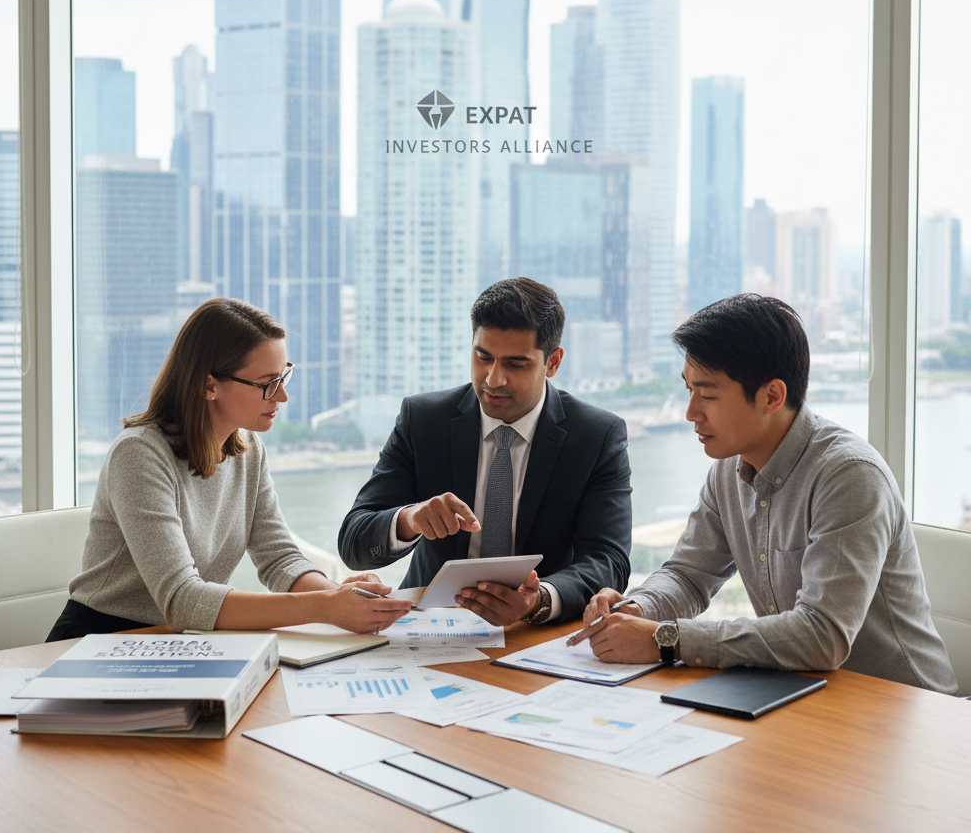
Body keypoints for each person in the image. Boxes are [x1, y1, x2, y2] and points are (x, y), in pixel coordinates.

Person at [570, 294, 957, 694]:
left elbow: (822, 635)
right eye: (688, 390)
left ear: (772, 396)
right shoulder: (727, 469)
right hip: (802, 695)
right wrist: (638, 609)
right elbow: (689, 575)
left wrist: (665, 639)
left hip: (906, 710)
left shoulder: (849, 476)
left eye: (708, 395)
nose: (690, 412)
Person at [47, 299, 412, 641]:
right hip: (101, 640)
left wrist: (346, 598)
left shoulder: (249, 451)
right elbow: (184, 600)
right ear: (209, 385)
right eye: (268, 383)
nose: (282, 396)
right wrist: (325, 607)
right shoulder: (138, 454)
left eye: (283, 377)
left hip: (180, 641)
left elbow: (279, 558)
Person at [338, 278, 633, 626]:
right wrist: (410, 519)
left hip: (534, 632)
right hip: (427, 624)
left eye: (516, 364)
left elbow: (608, 559)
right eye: (483, 357)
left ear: (552, 362)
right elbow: (353, 541)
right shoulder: (423, 420)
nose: (493, 379)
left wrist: (537, 600)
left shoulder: (596, 436)